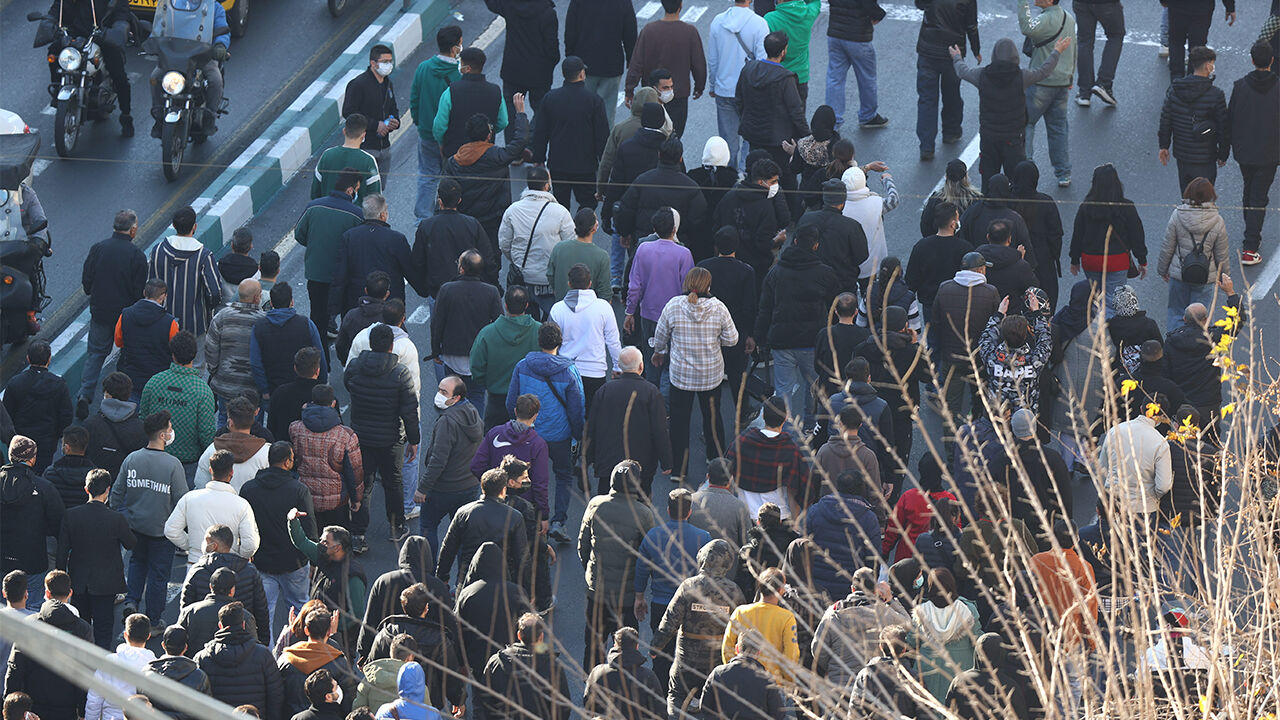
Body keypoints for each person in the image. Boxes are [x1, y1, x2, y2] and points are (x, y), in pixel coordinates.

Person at [654, 267, 738, 479]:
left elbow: (660, 336)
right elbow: (732, 339)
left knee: (679, 422)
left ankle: (679, 470)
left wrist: (659, 352)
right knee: (712, 417)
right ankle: (715, 459)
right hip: (711, 375)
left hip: (681, 376)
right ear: (708, 286)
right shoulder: (719, 307)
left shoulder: (673, 305)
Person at [951, 37, 1065, 190]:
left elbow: (962, 71)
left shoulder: (982, 75)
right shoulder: (1022, 77)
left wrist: (957, 57)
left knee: (988, 177)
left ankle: (988, 202)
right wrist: (1057, 52)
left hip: (989, 137)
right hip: (1014, 138)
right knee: (1015, 178)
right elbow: (1043, 71)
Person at [506, 322, 585, 542]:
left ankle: (531, 519)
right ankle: (559, 522)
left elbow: (511, 401)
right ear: (560, 342)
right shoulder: (569, 371)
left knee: (527, 475)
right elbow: (576, 409)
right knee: (563, 475)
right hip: (559, 434)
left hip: (529, 433)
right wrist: (578, 434)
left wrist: (518, 425)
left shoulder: (523, 366)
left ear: (539, 341)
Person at [756, 226, 838, 435]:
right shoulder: (824, 273)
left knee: (783, 389)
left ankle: (784, 432)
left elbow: (765, 308)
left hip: (781, 340)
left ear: (794, 242)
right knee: (813, 385)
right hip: (812, 341)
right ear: (816, 246)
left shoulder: (776, 272)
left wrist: (760, 338)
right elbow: (834, 303)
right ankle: (811, 426)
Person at [578, 461, 661, 669]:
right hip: (626, 595)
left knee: (593, 646)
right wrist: (641, 592)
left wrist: (591, 572)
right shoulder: (643, 513)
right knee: (626, 650)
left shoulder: (596, 504)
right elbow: (649, 556)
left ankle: (592, 683)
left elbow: (583, 546)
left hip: (597, 591)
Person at [649, 539, 745, 716]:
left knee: (677, 697)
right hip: (717, 662)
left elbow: (670, 621)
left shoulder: (689, 586)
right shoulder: (734, 591)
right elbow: (742, 628)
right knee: (715, 705)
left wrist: (656, 647)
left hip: (687, 659)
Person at [345, 324, 420, 547]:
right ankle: (396, 527)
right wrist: (414, 440)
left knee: (363, 483)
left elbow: (348, 384)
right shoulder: (400, 373)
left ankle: (358, 534)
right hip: (391, 438)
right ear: (391, 345)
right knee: (393, 482)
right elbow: (409, 410)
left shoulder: (355, 366)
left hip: (361, 436)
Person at [112, 411, 187, 626]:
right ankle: (153, 619)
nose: (172, 432)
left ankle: (131, 601)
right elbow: (182, 500)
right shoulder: (173, 465)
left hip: (135, 526)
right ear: (163, 435)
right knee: (158, 575)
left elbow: (117, 492)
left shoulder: (132, 459)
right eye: (170, 428)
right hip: (162, 531)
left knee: (136, 563)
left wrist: (117, 517)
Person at [634, 488, 711, 683]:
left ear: (668, 510)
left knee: (661, 656)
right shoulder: (704, 538)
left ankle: (661, 692)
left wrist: (639, 597)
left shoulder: (653, 535)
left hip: (661, 606)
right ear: (689, 511)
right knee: (687, 657)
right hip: (692, 609)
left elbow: (641, 569)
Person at [240, 443, 316, 632]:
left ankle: (267, 650)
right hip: (295, 562)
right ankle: (300, 647)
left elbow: (245, 527)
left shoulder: (249, 489)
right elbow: (309, 527)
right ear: (287, 462)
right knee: (300, 610)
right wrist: (314, 559)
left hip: (262, 561)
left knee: (264, 614)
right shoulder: (299, 490)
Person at [55, 469, 135, 647]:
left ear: (86, 489)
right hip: (106, 583)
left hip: (78, 580)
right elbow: (131, 543)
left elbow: (62, 551)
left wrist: (61, 578)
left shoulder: (71, 515)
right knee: (103, 629)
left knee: (80, 626)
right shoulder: (116, 519)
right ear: (107, 490)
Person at [78, 210, 148, 411]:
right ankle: (119, 395)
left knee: (95, 354)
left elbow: (87, 280)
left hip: (100, 312)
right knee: (127, 355)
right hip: (125, 316)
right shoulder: (136, 256)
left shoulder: (98, 248)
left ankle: (85, 394)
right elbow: (138, 291)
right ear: (133, 230)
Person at [444, 100, 531, 257]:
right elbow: (520, 141)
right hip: (493, 217)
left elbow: (446, 190)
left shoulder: (454, 161)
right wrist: (520, 114)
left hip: (468, 217)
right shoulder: (497, 156)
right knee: (492, 254)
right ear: (489, 135)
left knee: (470, 254)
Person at [4, 571, 94, 720]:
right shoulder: (83, 629)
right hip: (67, 707)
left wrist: (12, 708)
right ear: (70, 593)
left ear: (46, 593)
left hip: (33, 708)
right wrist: (83, 712)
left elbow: (15, 667)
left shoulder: (29, 624)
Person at [583, 347, 671, 498]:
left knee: (606, 502)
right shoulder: (651, 392)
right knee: (640, 505)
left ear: (619, 366)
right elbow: (660, 430)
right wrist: (666, 461)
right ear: (641, 366)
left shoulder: (604, 390)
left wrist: (587, 457)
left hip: (608, 463)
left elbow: (592, 427)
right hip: (641, 465)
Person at [812, 567, 910, 699]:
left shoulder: (833, 613)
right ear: (875, 590)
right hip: (872, 687)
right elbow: (908, 624)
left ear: (853, 589)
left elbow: (817, 649)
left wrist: (832, 667)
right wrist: (891, 599)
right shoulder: (885, 613)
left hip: (839, 686)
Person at [364, 586, 466, 713]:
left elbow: (372, 665)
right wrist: (459, 701)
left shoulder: (386, 632)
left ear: (403, 606)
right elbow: (450, 675)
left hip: (388, 700)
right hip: (427, 702)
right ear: (426, 608)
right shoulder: (439, 639)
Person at [735, 32, 809, 201]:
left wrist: (747, 120)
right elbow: (796, 112)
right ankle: (789, 211)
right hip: (779, 140)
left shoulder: (748, 69)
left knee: (757, 177)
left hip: (754, 136)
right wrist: (808, 137)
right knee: (786, 179)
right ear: (783, 51)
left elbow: (739, 100)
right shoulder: (785, 78)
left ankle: (759, 205)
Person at [415, 375, 484, 555]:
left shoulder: (447, 422)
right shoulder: (472, 412)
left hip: (444, 488)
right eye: (439, 389)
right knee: (462, 534)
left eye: (444, 392)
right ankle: (463, 572)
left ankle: (428, 569)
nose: (439, 394)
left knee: (427, 526)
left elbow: (438, 461)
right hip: (469, 487)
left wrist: (422, 489)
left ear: (456, 397)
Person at [531, 57, 610, 211]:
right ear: (581, 74)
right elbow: (602, 136)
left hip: (558, 164)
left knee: (560, 205)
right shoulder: (594, 101)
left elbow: (541, 131)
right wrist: (604, 162)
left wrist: (539, 158)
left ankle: (564, 225)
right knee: (588, 203)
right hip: (585, 165)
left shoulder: (550, 98)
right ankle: (581, 225)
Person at [1068, 164, 1147, 315]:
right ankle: (1109, 328)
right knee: (1112, 301)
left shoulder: (1086, 207)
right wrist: (1142, 260)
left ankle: (1095, 324)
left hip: (1091, 259)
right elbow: (1136, 235)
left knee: (1096, 298)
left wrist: (1074, 259)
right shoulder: (1126, 206)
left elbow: (1078, 234)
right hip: (1117, 260)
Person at [296, 170, 365, 341]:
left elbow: (299, 234)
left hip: (316, 275)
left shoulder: (313, 207)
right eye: (357, 189)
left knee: (318, 318)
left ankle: (319, 354)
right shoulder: (357, 215)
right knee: (348, 318)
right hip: (344, 278)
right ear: (350, 190)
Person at [286, 511, 368, 657]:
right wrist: (293, 521)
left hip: (339, 640)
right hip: (316, 630)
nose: (320, 544)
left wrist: (330, 628)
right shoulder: (324, 555)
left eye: (325, 542)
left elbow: (356, 613)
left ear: (337, 548)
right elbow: (301, 541)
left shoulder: (353, 575)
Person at [624, 207, 695, 375]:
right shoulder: (684, 254)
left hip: (649, 315)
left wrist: (630, 312)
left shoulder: (643, 249)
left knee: (651, 362)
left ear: (654, 229)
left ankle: (652, 390)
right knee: (672, 364)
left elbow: (635, 286)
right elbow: (688, 289)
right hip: (675, 317)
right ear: (674, 229)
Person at [931, 252, 1000, 420]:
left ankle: (952, 436)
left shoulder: (944, 288)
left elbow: (935, 323)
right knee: (981, 400)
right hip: (979, 359)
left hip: (951, 357)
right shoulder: (990, 292)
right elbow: (996, 327)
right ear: (981, 270)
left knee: (951, 405)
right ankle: (978, 430)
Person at [499, 167, 577, 317]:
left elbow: (504, 244)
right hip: (549, 279)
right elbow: (570, 245)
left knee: (526, 322)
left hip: (523, 277)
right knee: (553, 320)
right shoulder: (560, 212)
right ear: (547, 185)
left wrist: (517, 260)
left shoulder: (512, 210)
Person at [1229, 42, 1279, 266]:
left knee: (1249, 191)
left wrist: (1224, 150)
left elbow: (1230, 118)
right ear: (1272, 60)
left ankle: (1251, 235)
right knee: (1259, 196)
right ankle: (1250, 246)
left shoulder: (1240, 86)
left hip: (1245, 151)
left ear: (1251, 60)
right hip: (1270, 153)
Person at [1157, 177, 1230, 330]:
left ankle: (1175, 341)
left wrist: (1163, 270)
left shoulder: (1178, 215)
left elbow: (1168, 246)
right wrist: (1224, 277)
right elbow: (1221, 254)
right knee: (1203, 315)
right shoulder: (1217, 220)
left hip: (1180, 274)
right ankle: (1202, 343)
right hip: (1205, 276)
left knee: (1176, 312)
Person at [615, 139, 709, 256]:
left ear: (659, 155)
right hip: (676, 248)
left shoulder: (642, 181)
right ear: (680, 158)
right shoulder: (691, 188)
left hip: (644, 244)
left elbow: (626, 210)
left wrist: (625, 233)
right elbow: (697, 221)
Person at [0, 436, 62, 614]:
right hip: (33, 560)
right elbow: (57, 523)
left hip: (2, 559)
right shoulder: (44, 488)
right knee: (33, 610)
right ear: (32, 459)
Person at [1165, 290, 1243, 430]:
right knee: (1210, 436)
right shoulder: (1214, 338)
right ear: (1206, 319)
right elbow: (1237, 321)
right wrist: (1231, 293)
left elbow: (1166, 371)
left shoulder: (1172, 341)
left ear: (1184, 319)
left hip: (1181, 401)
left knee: (1182, 438)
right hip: (1208, 400)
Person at [436, 467, 527, 587]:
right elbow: (521, 557)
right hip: (503, 581)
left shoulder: (464, 513)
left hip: (468, 580)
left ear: (482, 487)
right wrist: (525, 588)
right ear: (503, 490)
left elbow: (449, 547)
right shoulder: (515, 517)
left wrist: (442, 576)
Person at [625, 0, 706, 135]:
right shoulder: (690, 32)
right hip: (678, 94)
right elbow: (699, 64)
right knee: (674, 135)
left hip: (652, 94)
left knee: (652, 133)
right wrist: (699, 87)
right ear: (680, 5)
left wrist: (629, 89)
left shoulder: (648, 31)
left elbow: (637, 63)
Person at [698, 228, 758, 410]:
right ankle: (742, 412)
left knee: (711, 376)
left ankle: (712, 416)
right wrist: (750, 334)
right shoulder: (746, 271)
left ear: (716, 246)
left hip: (708, 330)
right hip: (736, 330)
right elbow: (749, 306)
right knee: (737, 375)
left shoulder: (703, 267)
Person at [1018, 0, 1076, 187]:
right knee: (1058, 129)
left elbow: (1027, 28)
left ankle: (1025, 169)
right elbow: (1073, 49)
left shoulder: (1045, 19)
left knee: (1026, 124)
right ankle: (1063, 173)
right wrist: (1069, 77)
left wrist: (1022, 3)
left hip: (1040, 83)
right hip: (1062, 83)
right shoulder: (1069, 18)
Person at [550, 264, 622, 416]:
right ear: (590, 283)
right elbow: (613, 341)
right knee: (592, 418)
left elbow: (551, 344)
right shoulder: (604, 307)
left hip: (565, 372)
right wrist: (617, 367)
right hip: (595, 373)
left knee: (567, 416)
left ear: (569, 284)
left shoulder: (557, 309)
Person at [289, 385, 363, 532]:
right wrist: (356, 498)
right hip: (336, 501)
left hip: (307, 497)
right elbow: (354, 471)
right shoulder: (346, 435)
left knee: (312, 538)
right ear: (333, 403)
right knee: (337, 539)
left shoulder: (295, 429)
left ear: (311, 402)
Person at [485, 0, 559, 146]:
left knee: (511, 112)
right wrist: (551, 63)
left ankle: (513, 148)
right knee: (541, 110)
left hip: (513, 69)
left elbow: (492, 3)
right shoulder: (547, 12)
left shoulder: (511, 5)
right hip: (539, 72)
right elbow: (551, 45)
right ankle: (531, 143)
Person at [192, 603, 284, 720]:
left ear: (220, 625)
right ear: (243, 625)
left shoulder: (202, 657)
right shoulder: (263, 655)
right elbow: (276, 694)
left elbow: (197, 696)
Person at [408, 25, 463, 221]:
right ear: (455, 48)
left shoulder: (423, 68)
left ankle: (423, 218)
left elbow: (414, 99)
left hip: (426, 134)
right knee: (452, 177)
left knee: (427, 176)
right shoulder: (459, 74)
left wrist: (420, 123)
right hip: (450, 138)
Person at [430, 252, 501, 401]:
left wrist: (436, 350)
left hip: (452, 353)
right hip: (479, 354)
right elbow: (498, 326)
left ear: (461, 269)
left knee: (452, 395)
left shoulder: (447, 289)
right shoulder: (491, 292)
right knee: (477, 395)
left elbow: (437, 323)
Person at [915, 0, 981, 160]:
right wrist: (976, 49)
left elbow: (919, 4)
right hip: (953, 51)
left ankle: (926, 146)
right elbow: (971, 25)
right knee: (952, 94)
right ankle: (951, 132)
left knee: (927, 100)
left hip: (928, 49)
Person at [165, 454, 260, 565]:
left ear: (210, 470)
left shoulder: (189, 498)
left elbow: (171, 530)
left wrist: (192, 546)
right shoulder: (242, 505)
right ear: (231, 472)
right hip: (227, 566)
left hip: (196, 563)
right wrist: (236, 555)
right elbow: (250, 544)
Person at [1159, 46, 1230, 193]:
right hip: (1206, 156)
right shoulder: (1216, 95)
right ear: (1207, 66)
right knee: (1204, 197)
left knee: (1186, 195)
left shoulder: (1175, 89)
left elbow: (1166, 119)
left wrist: (1164, 146)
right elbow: (1224, 127)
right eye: (1212, 63)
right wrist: (1223, 154)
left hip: (1182, 155)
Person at [713, 159, 791, 292]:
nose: (776, 186)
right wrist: (777, 241)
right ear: (761, 182)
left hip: (729, 260)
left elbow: (717, 225)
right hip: (756, 267)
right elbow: (763, 242)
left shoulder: (729, 197)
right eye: (773, 182)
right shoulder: (765, 207)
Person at [470, 286, 543, 430]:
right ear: (526, 305)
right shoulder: (539, 331)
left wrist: (489, 384)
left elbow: (476, 368)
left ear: (506, 305)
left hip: (497, 401)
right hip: (530, 403)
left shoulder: (487, 333)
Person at [329, 195, 414, 316]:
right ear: (383, 215)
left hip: (357, 304)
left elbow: (340, 274)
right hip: (390, 306)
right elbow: (410, 269)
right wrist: (424, 289)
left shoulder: (349, 237)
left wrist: (334, 308)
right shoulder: (397, 239)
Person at [708, 0, 768, 170]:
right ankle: (745, 174)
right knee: (751, 138)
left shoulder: (717, 22)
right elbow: (762, 62)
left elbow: (713, 60)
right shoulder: (759, 24)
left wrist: (712, 86)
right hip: (749, 92)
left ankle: (729, 176)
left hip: (724, 90)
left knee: (728, 143)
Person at [139, 331, 216, 464]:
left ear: (173, 355)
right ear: (194, 355)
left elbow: (143, 418)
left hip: (155, 455)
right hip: (188, 459)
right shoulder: (203, 391)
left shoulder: (154, 382)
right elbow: (206, 432)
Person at [724, 397, 807, 520]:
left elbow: (726, 475)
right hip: (779, 516)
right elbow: (794, 489)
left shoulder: (742, 442)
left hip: (746, 514)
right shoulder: (790, 450)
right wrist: (795, 523)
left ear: (763, 416)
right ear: (785, 418)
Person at [455, 540, 531, 673]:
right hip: (511, 660)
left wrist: (461, 662)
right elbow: (529, 629)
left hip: (478, 662)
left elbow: (458, 631)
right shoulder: (517, 592)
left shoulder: (467, 594)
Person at [478, 613, 571, 720]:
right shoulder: (553, 668)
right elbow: (562, 707)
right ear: (541, 637)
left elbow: (485, 697)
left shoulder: (496, 662)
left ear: (518, 635)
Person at [149, 207, 221, 341]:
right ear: (194, 227)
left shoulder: (158, 250)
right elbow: (214, 293)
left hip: (162, 324)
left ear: (174, 225)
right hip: (195, 326)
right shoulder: (204, 256)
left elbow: (150, 285)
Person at [411, 181, 493, 299]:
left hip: (438, 290)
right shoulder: (472, 224)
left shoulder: (426, 226)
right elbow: (487, 257)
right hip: (469, 288)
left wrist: (423, 288)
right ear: (459, 200)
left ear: (440, 201)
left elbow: (418, 261)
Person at [722, 567, 800, 685]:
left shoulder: (740, 612)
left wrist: (733, 672)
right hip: (772, 683)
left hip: (740, 681)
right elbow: (791, 655)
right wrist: (788, 681)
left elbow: (727, 647)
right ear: (780, 590)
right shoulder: (787, 617)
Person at [911, 568, 980, 701]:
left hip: (929, 671)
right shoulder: (967, 610)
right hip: (961, 671)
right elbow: (977, 640)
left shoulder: (921, 611)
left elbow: (912, 640)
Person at [3, 342, 72, 473]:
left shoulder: (15, 383)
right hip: (46, 442)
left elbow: (6, 416)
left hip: (20, 441)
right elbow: (66, 416)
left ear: (28, 358)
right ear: (49, 359)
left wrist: (11, 439)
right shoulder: (59, 385)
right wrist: (55, 435)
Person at [432, 48, 510, 163]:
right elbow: (503, 122)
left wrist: (443, 143)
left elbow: (439, 126)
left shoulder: (451, 91)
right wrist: (487, 133)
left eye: (461, 63)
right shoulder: (495, 91)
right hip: (485, 153)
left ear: (467, 68)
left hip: (455, 154)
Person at [978, 294, 1052, 413]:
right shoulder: (1034, 360)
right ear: (1025, 336)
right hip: (1025, 417)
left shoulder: (991, 358)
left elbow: (986, 338)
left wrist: (999, 314)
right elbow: (1045, 340)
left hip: (997, 415)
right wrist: (1037, 313)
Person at [278, 609, 358, 717]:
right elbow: (350, 696)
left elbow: (275, 693)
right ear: (329, 632)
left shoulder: (285, 659)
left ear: (306, 630)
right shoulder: (339, 662)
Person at [796, 179, 869, 295]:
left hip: (811, 282)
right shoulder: (851, 226)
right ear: (843, 201)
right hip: (842, 284)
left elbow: (796, 247)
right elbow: (861, 256)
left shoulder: (806, 219)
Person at [206, 280, 265, 421]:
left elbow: (210, 348)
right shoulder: (263, 321)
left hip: (225, 383)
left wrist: (215, 372)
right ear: (256, 298)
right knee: (253, 426)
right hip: (253, 387)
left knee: (225, 419)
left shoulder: (221, 317)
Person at [906, 202, 972, 325]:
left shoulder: (921, 246)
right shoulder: (965, 248)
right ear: (953, 224)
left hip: (930, 303)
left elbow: (911, 280)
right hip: (957, 303)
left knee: (932, 335)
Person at [826, 0, 889, 130]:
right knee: (866, 79)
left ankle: (833, 121)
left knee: (835, 79)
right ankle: (868, 116)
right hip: (858, 36)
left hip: (835, 33)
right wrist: (880, 14)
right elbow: (869, 5)